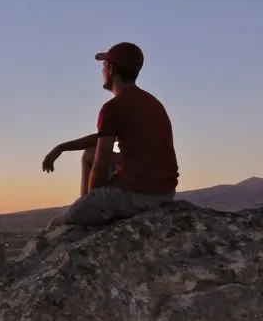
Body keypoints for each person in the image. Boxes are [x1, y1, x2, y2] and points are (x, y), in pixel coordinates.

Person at [42, 42, 178, 229]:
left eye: (104, 66)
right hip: (165, 191)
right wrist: (62, 147)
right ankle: (87, 203)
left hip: (137, 195)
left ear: (111, 69)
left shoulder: (113, 107)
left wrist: (90, 204)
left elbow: (101, 164)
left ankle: (85, 208)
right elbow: (102, 139)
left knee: (55, 224)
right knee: (90, 151)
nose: (102, 71)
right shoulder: (151, 102)